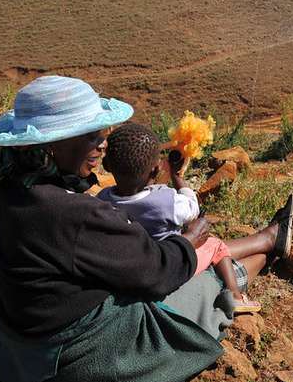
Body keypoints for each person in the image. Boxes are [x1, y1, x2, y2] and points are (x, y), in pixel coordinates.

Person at [0, 76, 293, 382]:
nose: (103, 145)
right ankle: (263, 252)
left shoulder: (0, 185)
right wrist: (188, 241)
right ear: (51, 145)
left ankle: (267, 239)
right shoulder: (69, 213)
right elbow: (157, 274)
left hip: (18, 362)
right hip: (86, 371)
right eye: (91, 136)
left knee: (190, 257)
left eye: (102, 133)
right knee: (207, 283)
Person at [98, 123, 280, 314]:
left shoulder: (102, 199)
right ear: (155, 170)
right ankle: (234, 295)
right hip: (174, 265)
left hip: (140, 269)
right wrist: (177, 177)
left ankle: (268, 241)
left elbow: (140, 198)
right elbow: (193, 208)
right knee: (215, 244)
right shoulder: (166, 201)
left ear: (108, 165)